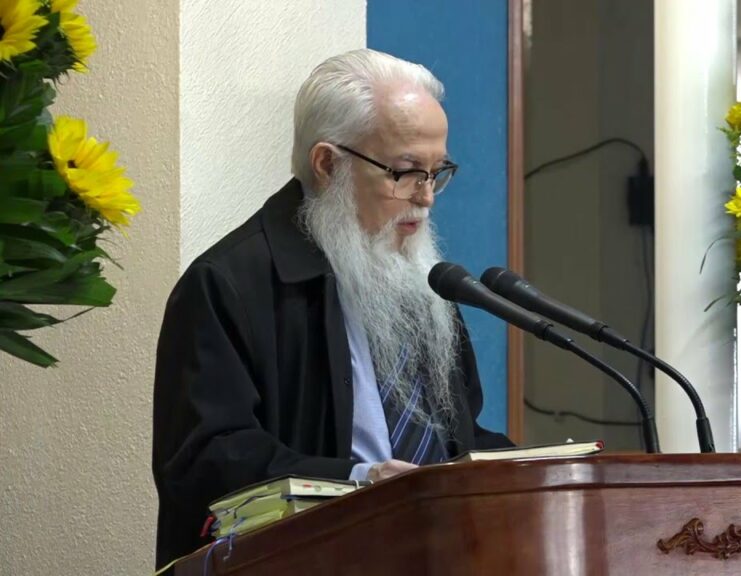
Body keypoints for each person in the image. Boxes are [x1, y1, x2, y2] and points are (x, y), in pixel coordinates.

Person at [151, 49, 512, 567]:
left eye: (437, 172)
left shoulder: (421, 278)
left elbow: (457, 438)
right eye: (406, 172)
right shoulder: (227, 284)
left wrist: (536, 472)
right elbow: (207, 462)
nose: (427, 196)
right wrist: (360, 482)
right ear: (327, 164)